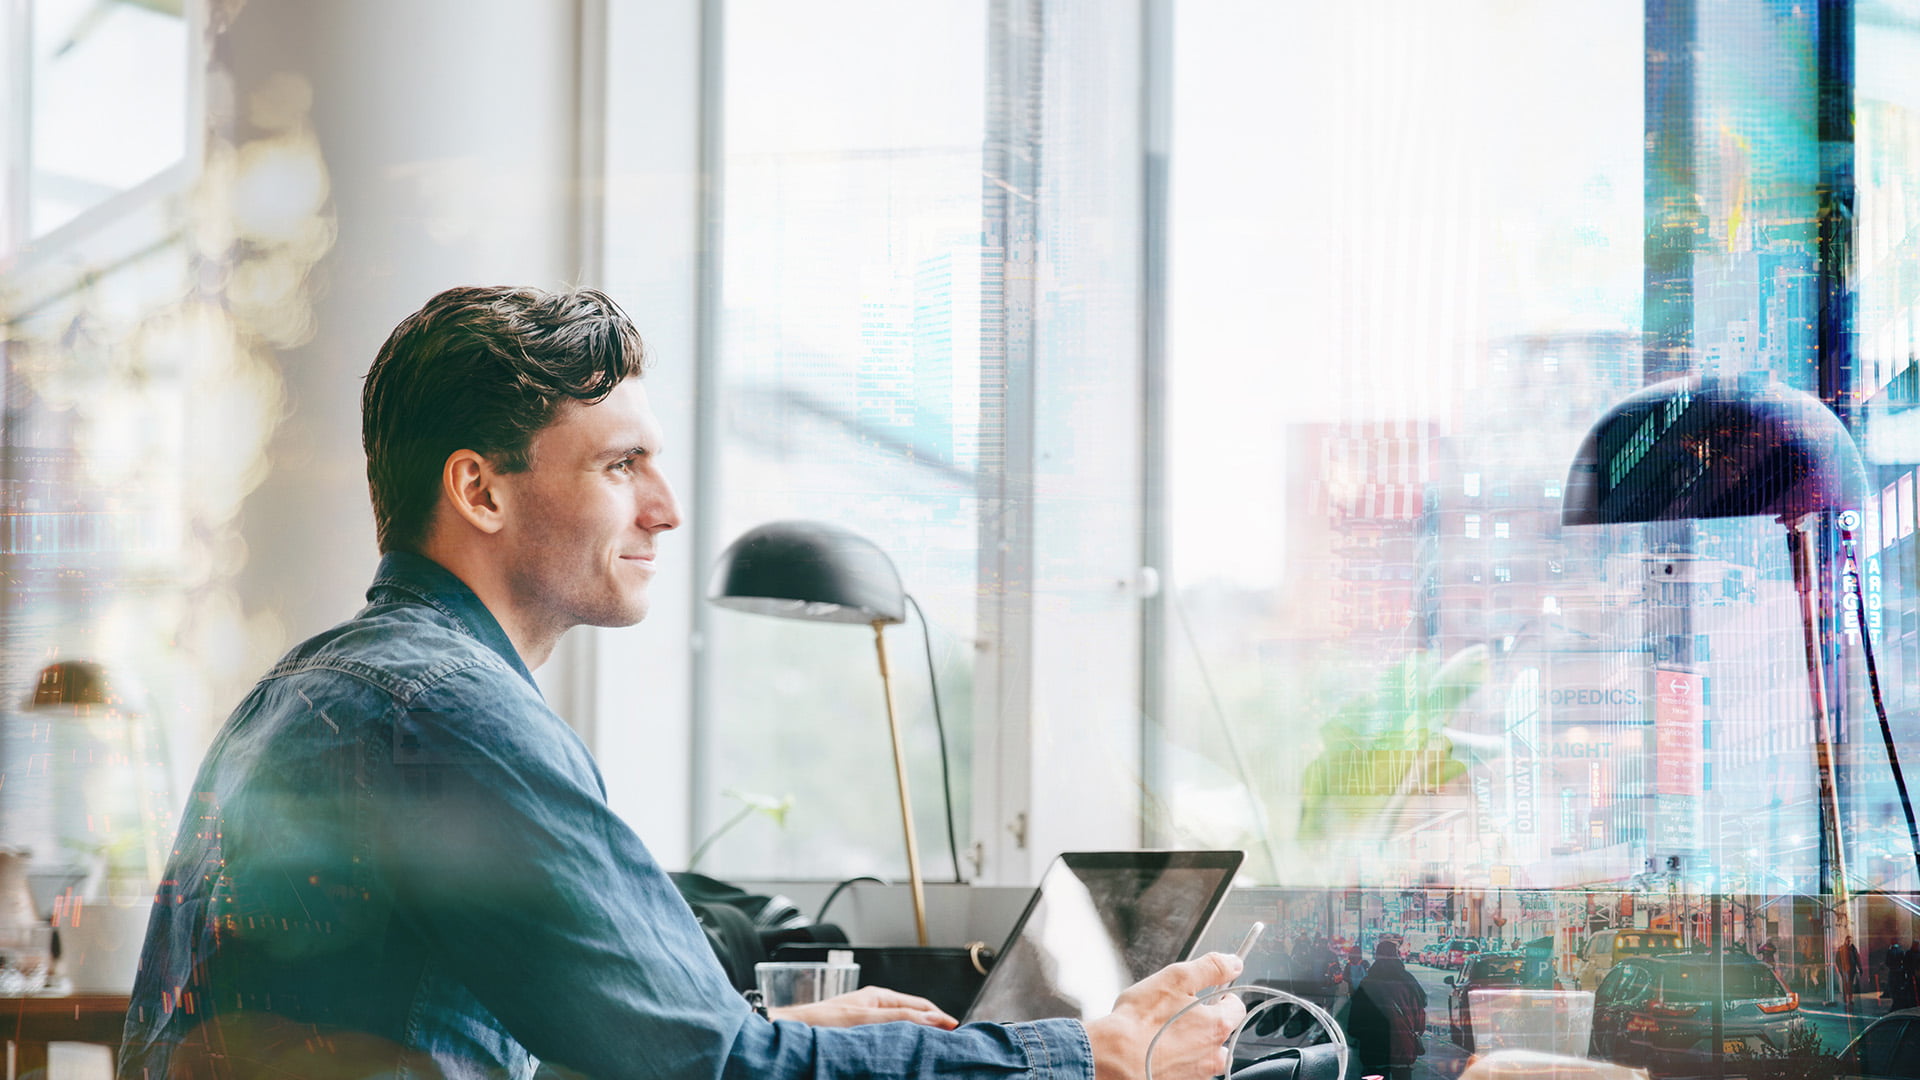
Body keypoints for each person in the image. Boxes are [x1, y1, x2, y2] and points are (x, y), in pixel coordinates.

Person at [117, 286, 1247, 1079]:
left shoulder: (315, 688)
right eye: (620, 465)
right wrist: (1084, 1056)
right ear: (481, 491)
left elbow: (641, 1038)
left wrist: (784, 1037)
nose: (665, 507)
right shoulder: (450, 717)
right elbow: (704, 1070)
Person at [1346, 938, 1426, 1080]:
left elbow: (1355, 1021)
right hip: (1402, 1044)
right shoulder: (1408, 980)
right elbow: (1420, 1008)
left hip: (1373, 1047)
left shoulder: (1368, 983)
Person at [1835, 935, 1861, 1009]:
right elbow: (1837, 960)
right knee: (1846, 984)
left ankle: (1850, 998)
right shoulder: (1842, 949)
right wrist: (1841, 969)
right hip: (1844, 970)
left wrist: (1859, 968)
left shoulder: (1853, 949)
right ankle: (1846, 998)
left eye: (1850, 940)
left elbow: (1857, 959)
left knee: (1850, 984)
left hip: (1852, 970)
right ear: (1846, 941)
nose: (1849, 942)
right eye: (1848, 940)